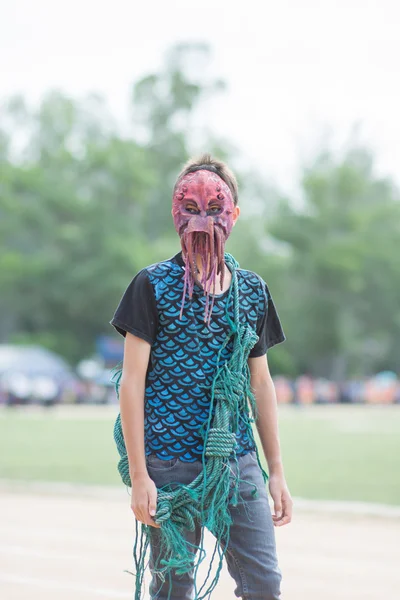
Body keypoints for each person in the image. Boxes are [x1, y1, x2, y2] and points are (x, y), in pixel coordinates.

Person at [110, 154, 293, 600]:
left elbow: (261, 384)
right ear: (175, 211)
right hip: (168, 462)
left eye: (215, 207)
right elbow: (131, 383)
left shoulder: (252, 291)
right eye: (189, 207)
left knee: (264, 585)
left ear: (234, 214)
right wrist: (139, 475)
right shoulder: (151, 285)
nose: (202, 220)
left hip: (237, 460)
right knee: (175, 585)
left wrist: (276, 472)